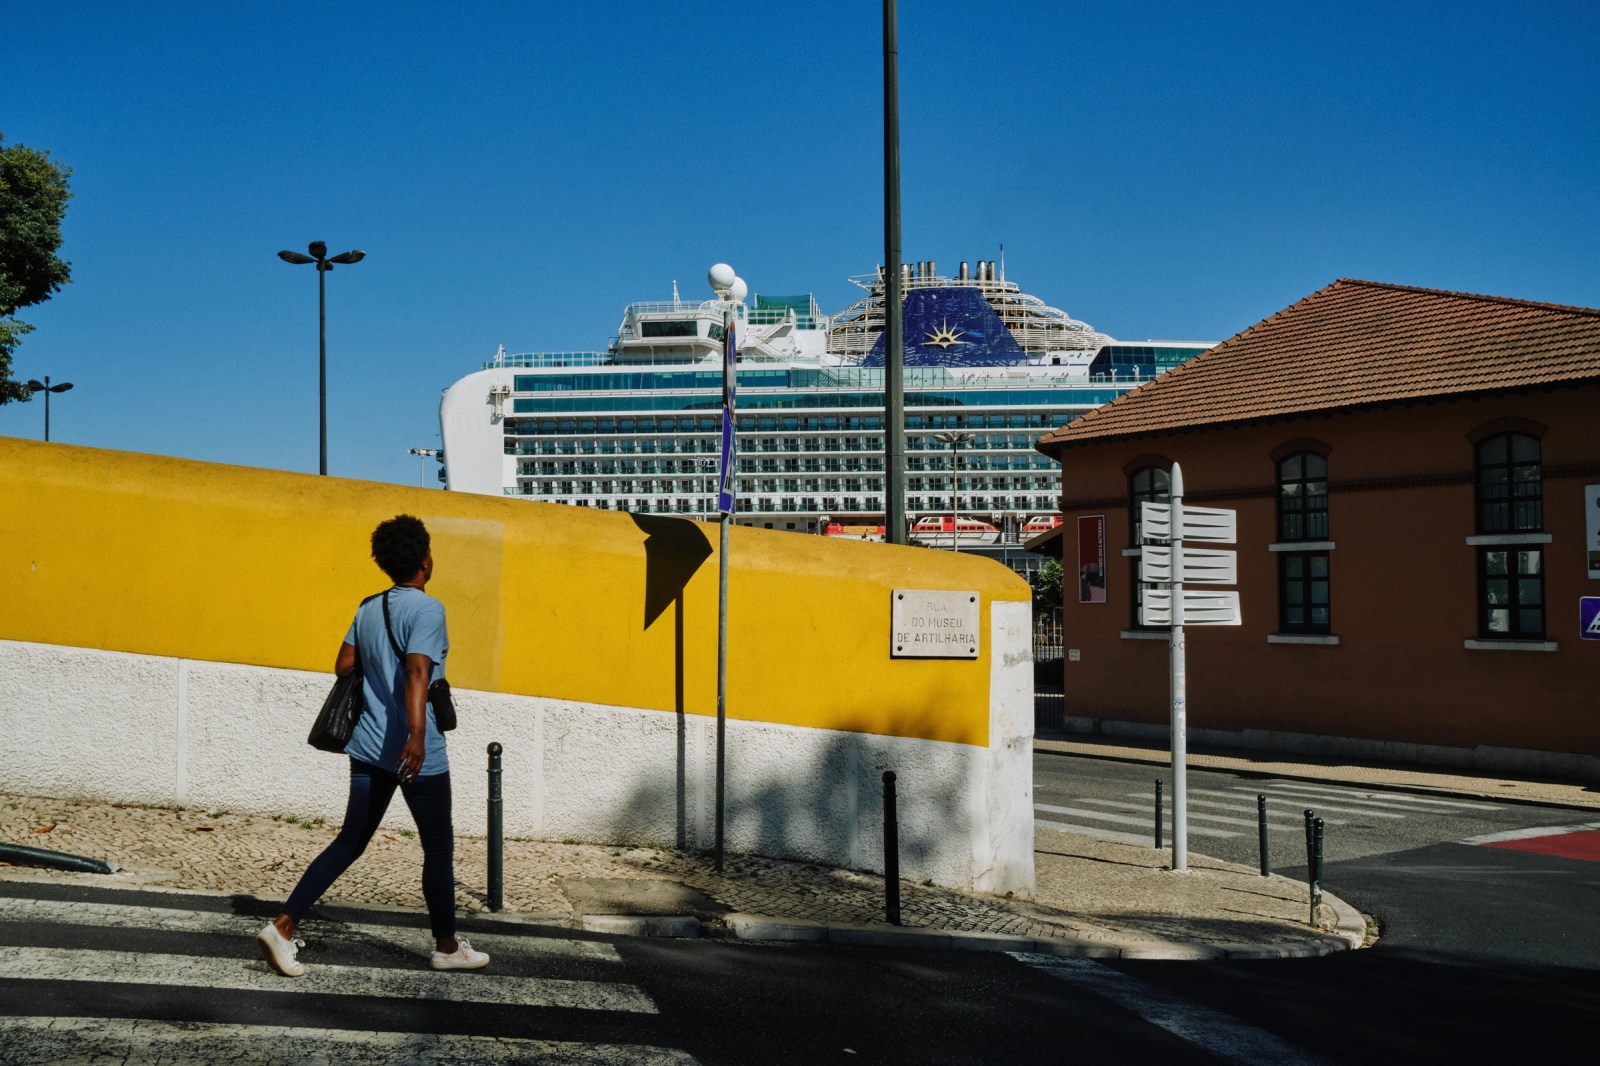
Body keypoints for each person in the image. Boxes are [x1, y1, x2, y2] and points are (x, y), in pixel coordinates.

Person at [256, 514, 488, 977]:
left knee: (350, 840)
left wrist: (380, 663)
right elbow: (420, 671)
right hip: (413, 750)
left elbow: (344, 664)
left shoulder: (369, 607)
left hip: (367, 746)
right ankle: (446, 947)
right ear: (425, 560)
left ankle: (282, 927)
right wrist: (417, 735)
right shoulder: (427, 609)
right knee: (438, 849)